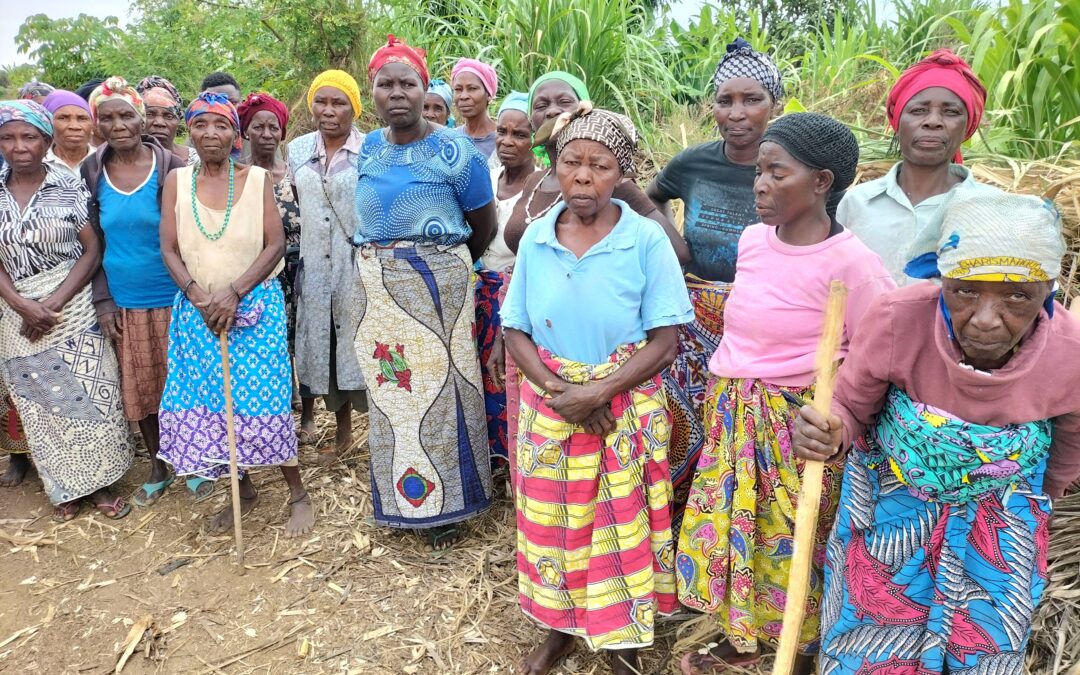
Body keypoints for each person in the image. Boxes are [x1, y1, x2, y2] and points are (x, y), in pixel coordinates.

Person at [793, 192, 1080, 674]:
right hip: (889, 519)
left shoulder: (1069, 354)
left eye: (1017, 296)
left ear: (1047, 290)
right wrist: (830, 432)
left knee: (984, 642)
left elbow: (1068, 448)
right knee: (873, 642)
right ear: (941, 279)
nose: (987, 319)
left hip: (1002, 524)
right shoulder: (896, 320)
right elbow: (850, 408)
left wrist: (1027, 507)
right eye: (966, 290)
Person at [674, 113, 895, 675]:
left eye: (778, 173)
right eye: (760, 173)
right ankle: (744, 633)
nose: (761, 184)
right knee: (736, 528)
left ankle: (798, 645)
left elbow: (875, 356)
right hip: (736, 415)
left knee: (793, 539)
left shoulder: (852, 263)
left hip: (795, 426)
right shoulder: (753, 241)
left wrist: (839, 421)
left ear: (822, 182)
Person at [501, 105, 694, 675]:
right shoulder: (538, 237)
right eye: (571, 162)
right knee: (550, 520)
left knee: (618, 523)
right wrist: (561, 391)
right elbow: (516, 328)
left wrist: (599, 392)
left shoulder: (645, 241)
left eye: (600, 165)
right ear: (554, 168)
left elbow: (665, 340)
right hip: (552, 402)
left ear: (622, 174)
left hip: (622, 405)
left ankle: (619, 639)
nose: (583, 176)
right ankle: (559, 629)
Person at [353, 35, 497, 549]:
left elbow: (483, 226)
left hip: (439, 290)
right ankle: (401, 501)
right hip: (378, 293)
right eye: (384, 84)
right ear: (372, 92)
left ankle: (450, 507)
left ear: (423, 88)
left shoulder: (455, 150)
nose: (396, 93)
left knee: (444, 393)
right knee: (394, 396)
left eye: (406, 83)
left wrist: (439, 266)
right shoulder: (368, 146)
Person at [157, 93, 312, 537]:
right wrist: (198, 296)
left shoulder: (257, 179)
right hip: (197, 313)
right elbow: (168, 247)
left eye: (221, 125)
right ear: (190, 131)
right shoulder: (176, 182)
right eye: (201, 124)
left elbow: (275, 245)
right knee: (214, 407)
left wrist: (233, 293)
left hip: (254, 311)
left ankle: (297, 493)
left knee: (265, 404)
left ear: (235, 135)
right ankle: (241, 491)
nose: (211, 133)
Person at [646, 37, 784, 527]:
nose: (738, 113)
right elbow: (652, 199)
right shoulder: (692, 163)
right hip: (693, 317)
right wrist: (673, 251)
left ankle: (735, 526)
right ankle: (680, 523)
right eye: (725, 100)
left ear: (775, 106)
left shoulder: (790, 167)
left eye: (752, 100)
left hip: (763, 321)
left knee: (744, 433)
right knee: (686, 421)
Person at [0, 100, 133, 521]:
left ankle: (102, 482)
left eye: (29, 137)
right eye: (8, 137)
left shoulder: (69, 184)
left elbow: (92, 249)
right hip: (15, 308)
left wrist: (54, 302)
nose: (19, 147)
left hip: (71, 305)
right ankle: (64, 486)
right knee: (40, 403)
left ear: (46, 141)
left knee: (93, 397)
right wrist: (22, 304)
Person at [82, 76, 188, 507]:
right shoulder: (92, 171)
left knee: (183, 383)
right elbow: (94, 244)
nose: (118, 124)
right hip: (125, 299)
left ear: (141, 118)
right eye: (107, 118)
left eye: (126, 114)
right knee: (141, 389)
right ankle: (159, 464)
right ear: (98, 124)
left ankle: (192, 460)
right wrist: (104, 300)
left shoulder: (171, 167)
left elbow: (188, 235)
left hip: (175, 293)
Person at [838, 49, 992, 286]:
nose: (933, 121)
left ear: (967, 126)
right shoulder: (856, 204)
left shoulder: (993, 210)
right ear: (897, 122)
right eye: (918, 110)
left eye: (951, 112)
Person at [288, 70, 368, 463]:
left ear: (354, 107)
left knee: (353, 346)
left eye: (339, 103)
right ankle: (330, 426)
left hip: (354, 268)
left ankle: (346, 434)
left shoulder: (370, 150)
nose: (329, 110)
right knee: (322, 346)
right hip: (314, 269)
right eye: (321, 101)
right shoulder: (298, 150)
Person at [474, 91, 536, 471]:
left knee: (506, 376)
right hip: (478, 289)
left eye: (520, 134)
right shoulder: (488, 176)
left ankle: (514, 462)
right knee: (480, 375)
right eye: (502, 131)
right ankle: (490, 459)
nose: (507, 141)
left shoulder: (542, 185)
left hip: (513, 293)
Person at [237, 92, 301, 400]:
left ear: (282, 133)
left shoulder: (294, 175)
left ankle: (305, 407)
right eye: (258, 127)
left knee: (297, 336)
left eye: (273, 127)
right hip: (257, 273)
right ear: (245, 132)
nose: (266, 134)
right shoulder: (236, 176)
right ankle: (273, 400)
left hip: (295, 271)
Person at [137, 75, 197, 165]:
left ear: (178, 120)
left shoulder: (196, 161)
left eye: (169, 116)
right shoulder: (118, 161)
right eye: (149, 114)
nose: (159, 123)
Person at [452, 58, 498, 159]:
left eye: (472, 89)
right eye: (458, 89)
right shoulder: (450, 138)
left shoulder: (503, 141)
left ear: (489, 94)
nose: (463, 96)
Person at [41, 90, 94, 177]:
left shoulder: (104, 161)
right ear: (47, 123)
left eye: (82, 118)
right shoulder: (37, 164)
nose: (75, 126)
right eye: (63, 118)